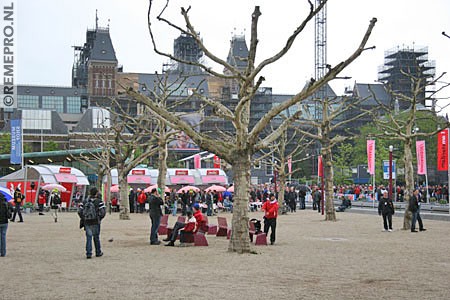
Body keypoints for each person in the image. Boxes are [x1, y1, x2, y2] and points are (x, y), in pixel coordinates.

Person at [78, 187, 106, 259]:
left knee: (89, 237)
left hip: (87, 221)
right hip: (95, 221)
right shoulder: (99, 202)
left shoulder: (84, 201)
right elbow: (103, 212)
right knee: (96, 237)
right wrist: (99, 218)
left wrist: (83, 218)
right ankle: (98, 251)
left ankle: (89, 253)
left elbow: (80, 211)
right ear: (96, 193)